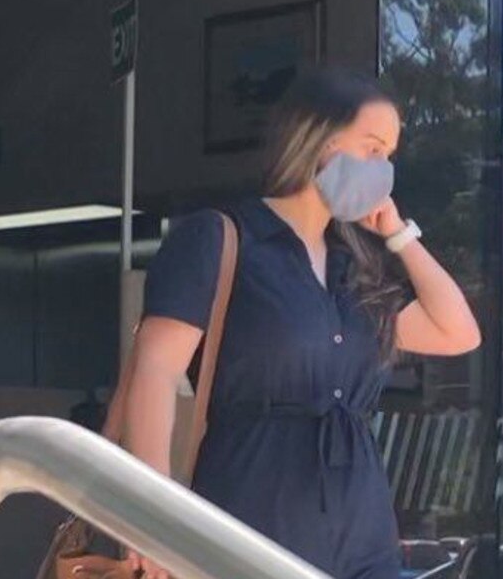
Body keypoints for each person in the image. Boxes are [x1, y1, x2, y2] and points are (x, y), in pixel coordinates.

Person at [123, 67, 481, 579]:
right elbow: (154, 374)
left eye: (390, 157)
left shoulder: (353, 269)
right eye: (372, 148)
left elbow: (458, 331)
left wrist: (399, 234)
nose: (382, 169)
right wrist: (150, 518)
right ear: (320, 138)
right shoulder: (223, 240)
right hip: (250, 524)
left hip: (364, 539)